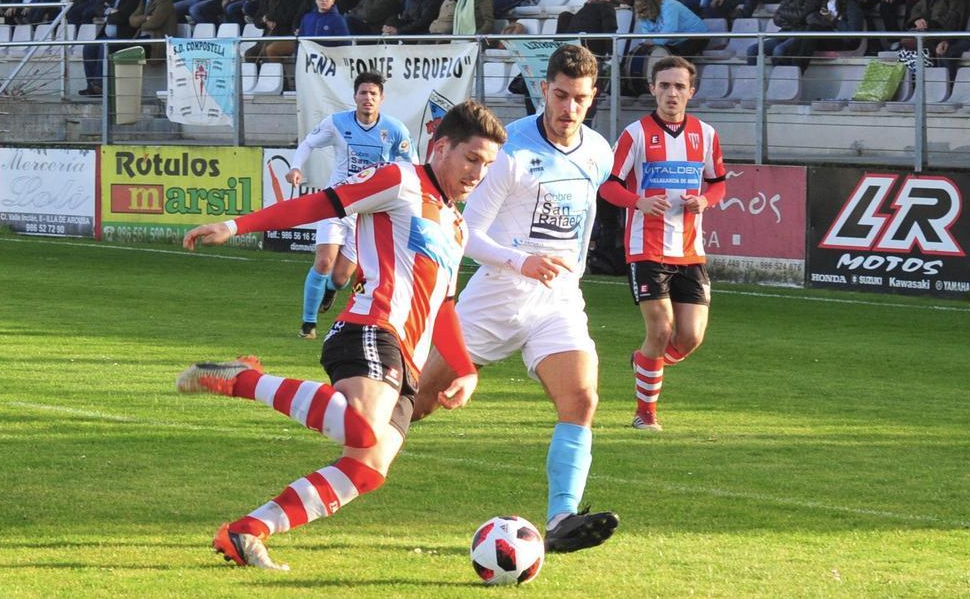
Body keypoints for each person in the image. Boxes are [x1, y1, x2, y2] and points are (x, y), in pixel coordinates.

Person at [177, 100, 505, 572]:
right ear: (441, 147)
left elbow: (444, 305)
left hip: (408, 362)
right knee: (364, 428)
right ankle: (241, 378)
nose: (478, 172)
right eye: (472, 158)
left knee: (367, 468)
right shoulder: (399, 179)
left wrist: (466, 369)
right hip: (371, 327)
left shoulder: (456, 224)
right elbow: (322, 203)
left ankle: (246, 531)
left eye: (487, 165)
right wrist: (236, 225)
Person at [412, 44, 620, 555]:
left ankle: (563, 518)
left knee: (581, 398)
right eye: (561, 94)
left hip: (559, 298)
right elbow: (467, 233)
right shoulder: (508, 151)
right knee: (414, 404)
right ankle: (353, 444)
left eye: (580, 99)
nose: (569, 108)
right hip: (498, 295)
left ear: (592, 100)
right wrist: (520, 260)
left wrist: (569, 273)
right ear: (544, 89)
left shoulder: (599, 151)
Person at [599, 55, 727, 431]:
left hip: (690, 250)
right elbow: (608, 185)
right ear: (652, 88)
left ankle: (646, 363)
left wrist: (705, 200)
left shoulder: (706, 135)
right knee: (660, 330)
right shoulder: (634, 134)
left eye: (680, 86)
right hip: (646, 247)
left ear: (692, 91)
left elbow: (718, 182)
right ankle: (645, 414)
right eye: (665, 85)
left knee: (689, 338)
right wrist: (637, 201)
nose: (672, 93)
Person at [284, 72, 414, 340]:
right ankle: (308, 324)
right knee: (323, 261)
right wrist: (296, 166)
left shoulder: (395, 129)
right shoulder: (336, 123)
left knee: (342, 278)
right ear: (355, 96)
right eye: (363, 93)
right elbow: (308, 143)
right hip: (335, 202)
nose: (368, 98)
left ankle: (332, 288)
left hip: (366, 212)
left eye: (373, 94)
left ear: (381, 98)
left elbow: (411, 164)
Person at [746, 0, 826, 68]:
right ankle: (754, 83)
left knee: (779, 51)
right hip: (784, 33)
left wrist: (785, 14)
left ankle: (781, 83)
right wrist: (793, 18)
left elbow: (800, 15)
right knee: (752, 50)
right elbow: (776, 18)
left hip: (800, 35)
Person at [79, 0, 140, 96]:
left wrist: (110, 13)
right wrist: (109, 11)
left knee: (103, 46)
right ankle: (92, 85)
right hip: (107, 36)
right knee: (88, 48)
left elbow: (122, 17)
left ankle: (100, 85)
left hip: (125, 38)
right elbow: (98, 8)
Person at [633, 0, 709, 58]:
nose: (640, 14)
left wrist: (653, 42)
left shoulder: (669, 5)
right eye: (638, 11)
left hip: (696, 36)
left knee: (678, 60)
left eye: (643, 10)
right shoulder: (642, 16)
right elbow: (647, 38)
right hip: (673, 41)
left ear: (652, 5)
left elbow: (669, 31)